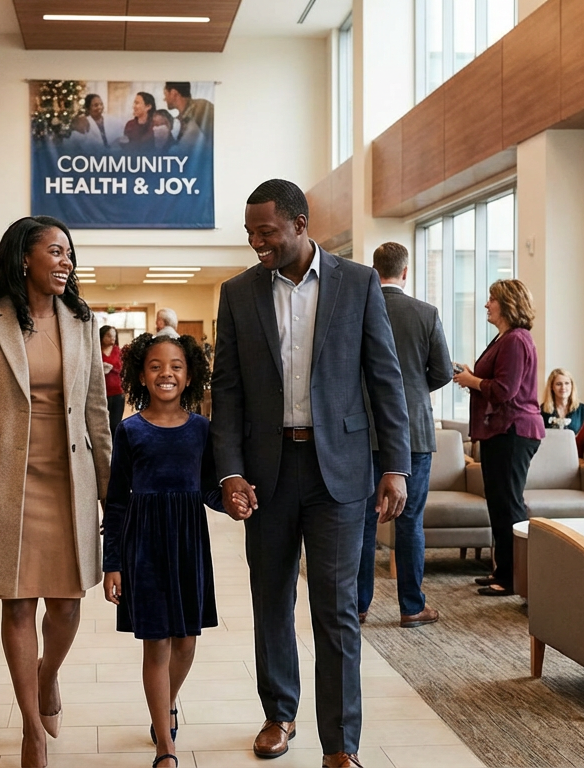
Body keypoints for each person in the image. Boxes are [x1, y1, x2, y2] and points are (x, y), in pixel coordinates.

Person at [212, 179, 410, 768]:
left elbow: (385, 379)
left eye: (266, 232)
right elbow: (226, 392)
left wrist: (395, 464)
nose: (256, 244)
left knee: (336, 605)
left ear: (300, 223)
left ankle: (341, 743)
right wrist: (228, 474)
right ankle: (279, 714)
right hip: (268, 472)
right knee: (270, 598)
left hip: (340, 474)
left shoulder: (358, 283)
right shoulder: (238, 293)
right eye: (250, 234)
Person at [0, 216, 112, 768]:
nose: (66, 262)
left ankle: (47, 679)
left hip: (69, 478)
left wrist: (113, 492)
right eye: (56, 252)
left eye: (69, 253)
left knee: (67, 602)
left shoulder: (82, 321)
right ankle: (31, 729)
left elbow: (96, 412)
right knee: (17, 603)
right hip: (4, 479)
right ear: (25, 258)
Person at [102, 333, 241, 768]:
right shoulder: (129, 430)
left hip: (188, 544)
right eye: (157, 366)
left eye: (177, 366)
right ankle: (166, 743)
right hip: (143, 546)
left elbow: (208, 490)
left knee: (186, 643)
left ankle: (169, 702)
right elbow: (117, 501)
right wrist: (113, 565)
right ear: (141, 374)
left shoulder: (203, 430)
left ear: (190, 375)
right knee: (156, 645)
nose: (167, 373)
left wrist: (234, 505)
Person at [357, 242, 451, 629]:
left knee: (362, 520)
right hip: (413, 430)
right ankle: (412, 607)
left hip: (363, 430)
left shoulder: (359, 310)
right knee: (410, 520)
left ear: (373, 269)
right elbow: (443, 371)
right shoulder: (425, 313)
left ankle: (358, 606)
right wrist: (410, 390)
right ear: (406, 272)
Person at [452, 279, 544, 597]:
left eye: (491, 299)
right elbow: (494, 380)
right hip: (499, 430)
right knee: (499, 503)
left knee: (508, 504)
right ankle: (502, 570)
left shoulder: (516, 340)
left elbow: (505, 390)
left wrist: (472, 380)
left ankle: (514, 577)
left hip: (513, 430)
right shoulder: (504, 338)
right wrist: (472, 376)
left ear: (507, 303)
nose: (486, 304)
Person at [540, 368, 584, 434]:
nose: (563, 387)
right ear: (551, 387)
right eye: (558, 384)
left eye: (567, 383)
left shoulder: (582, 410)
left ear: (572, 386)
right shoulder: (542, 410)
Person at [100, 325, 125, 435]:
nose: (112, 338)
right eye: (109, 336)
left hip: (117, 392)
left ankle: (115, 449)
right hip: (100, 393)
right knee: (102, 424)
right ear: (102, 336)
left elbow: (124, 369)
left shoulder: (119, 351)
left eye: (114, 336)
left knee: (115, 424)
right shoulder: (95, 351)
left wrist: (112, 368)